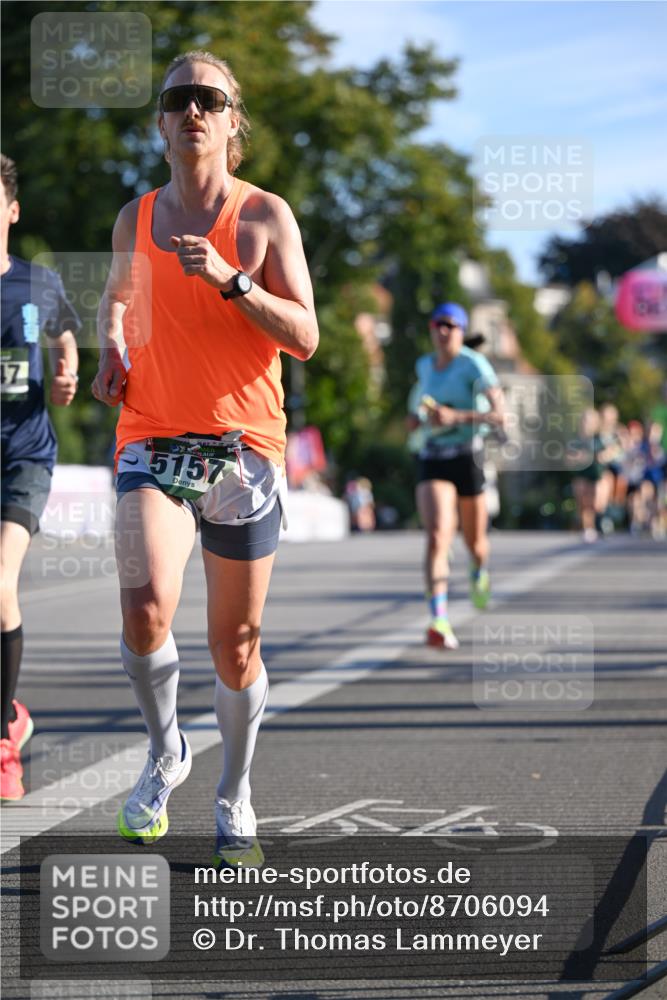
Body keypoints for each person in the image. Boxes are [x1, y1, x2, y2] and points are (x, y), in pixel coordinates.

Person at [92, 51, 318, 866]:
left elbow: (305, 337)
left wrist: (233, 282)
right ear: (161, 122)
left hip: (243, 451)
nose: (192, 110)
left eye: (208, 99)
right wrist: (111, 348)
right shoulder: (135, 218)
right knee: (144, 605)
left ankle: (235, 791)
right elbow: (118, 304)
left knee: (238, 643)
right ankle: (165, 752)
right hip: (151, 439)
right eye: (177, 98)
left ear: (231, 122)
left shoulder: (264, 219)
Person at [1, 154, 80, 800]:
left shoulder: (38, 283)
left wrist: (66, 370)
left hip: (24, 455)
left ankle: (3, 739)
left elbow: (66, 336)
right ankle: (14, 713)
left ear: (11, 209)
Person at [407, 302, 504, 650]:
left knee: (475, 544)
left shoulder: (474, 364)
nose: (443, 330)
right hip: (433, 456)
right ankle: (439, 620)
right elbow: (414, 413)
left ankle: (479, 571)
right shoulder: (423, 365)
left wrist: (455, 418)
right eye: (437, 324)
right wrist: (420, 420)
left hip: (468, 456)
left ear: (462, 331)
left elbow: (500, 416)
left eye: (451, 325)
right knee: (436, 537)